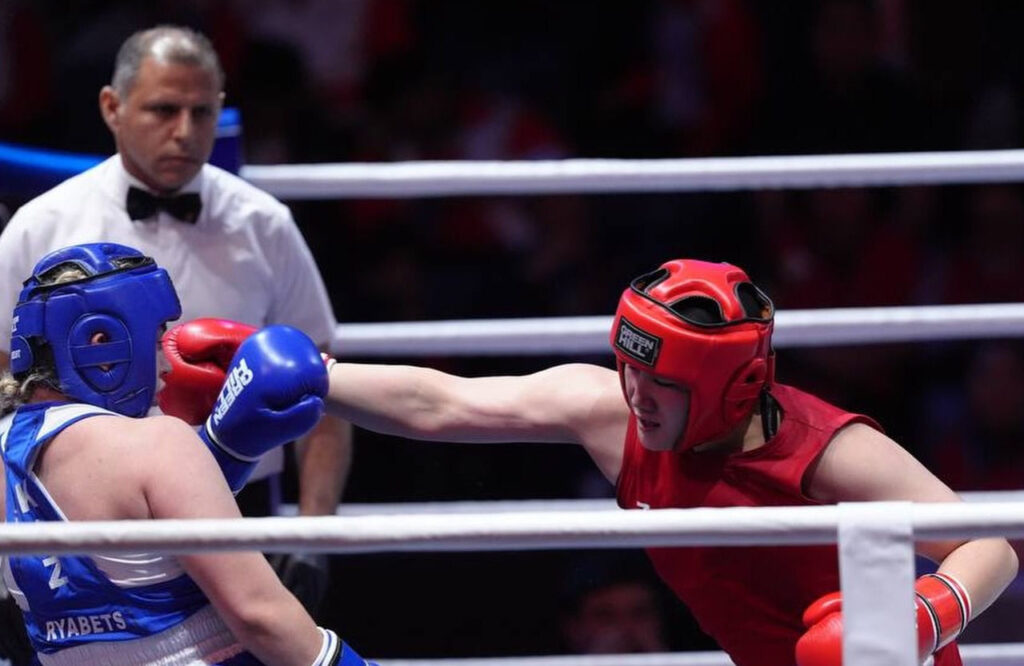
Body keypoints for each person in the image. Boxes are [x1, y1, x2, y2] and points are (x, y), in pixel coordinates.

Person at [167, 258, 1019, 665]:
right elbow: (446, 402)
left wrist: (921, 616)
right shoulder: (612, 415)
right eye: (629, 369)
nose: (636, 396)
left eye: (662, 383)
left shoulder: (826, 448)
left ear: (731, 385)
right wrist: (309, 373)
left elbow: (990, 541)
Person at [0, 24, 350, 622]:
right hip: (77, 512)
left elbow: (324, 390)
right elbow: (4, 389)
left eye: (202, 112)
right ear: (112, 107)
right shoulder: (41, 226)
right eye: (164, 110)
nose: (185, 132)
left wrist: (313, 537)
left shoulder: (263, 224)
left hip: (240, 504)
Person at [0, 242, 375, 665]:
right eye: (157, 340)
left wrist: (225, 454)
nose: (167, 365)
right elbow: (261, 617)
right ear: (100, 343)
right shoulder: (158, 442)